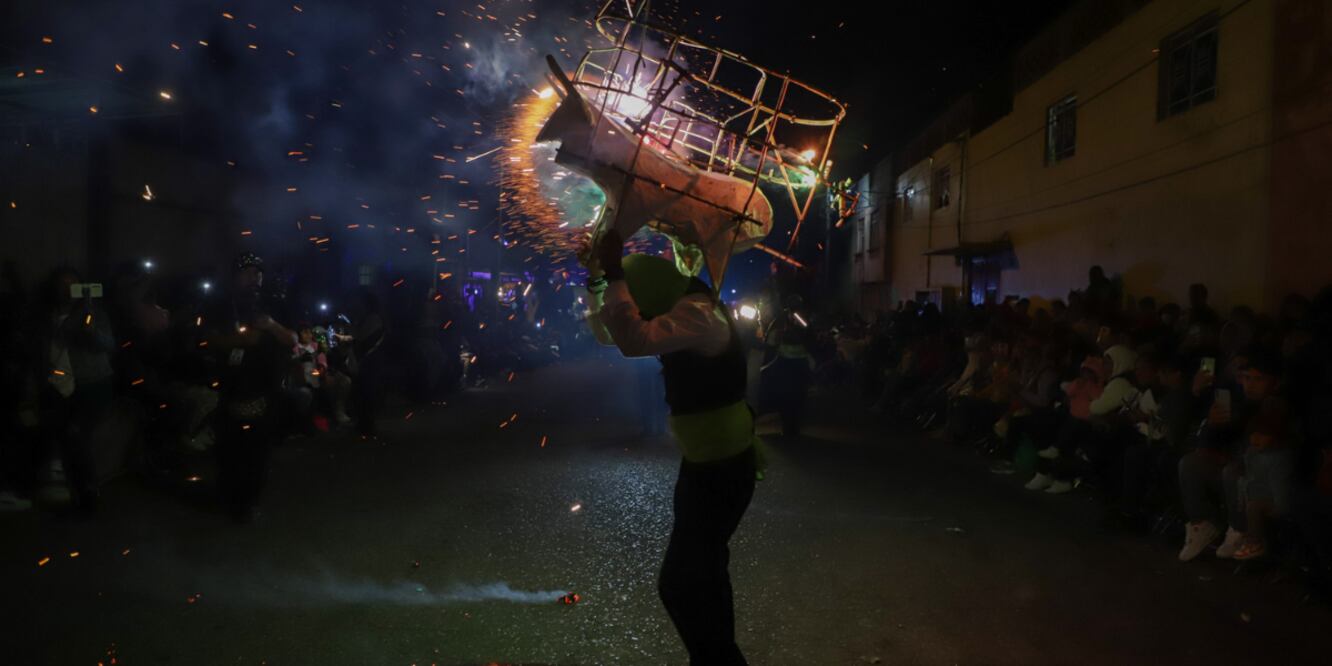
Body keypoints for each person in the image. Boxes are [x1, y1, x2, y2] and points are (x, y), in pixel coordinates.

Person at [582, 230, 759, 666]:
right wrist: (599, 280)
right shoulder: (678, 305)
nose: (636, 309)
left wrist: (617, 272)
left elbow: (632, 339)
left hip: (722, 465)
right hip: (703, 460)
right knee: (704, 577)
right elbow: (612, 331)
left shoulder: (700, 315)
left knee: (682, 583)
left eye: (637, 298)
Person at [204, 252, 296, 523]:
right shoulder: (221, 305)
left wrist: (271, 326)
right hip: (230, 386)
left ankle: (249, 501)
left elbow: (293, 339)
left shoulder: (273, 304)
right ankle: (228, 495)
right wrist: (240, 341)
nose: (254, 278)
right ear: (235, 276)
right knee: (230, 447)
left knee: (258, 450)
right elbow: (208, 339)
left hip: (266, 387)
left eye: (258, 273)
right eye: (247, 272)